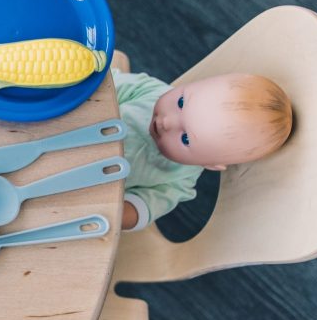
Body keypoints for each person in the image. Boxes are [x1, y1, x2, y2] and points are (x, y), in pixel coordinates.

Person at [114, 69, 293, 231]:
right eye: (181, 102)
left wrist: (115, 214)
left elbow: (143, 208)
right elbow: (104, 87)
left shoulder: (179, 180)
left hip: (90, 187)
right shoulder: (152, 92)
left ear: (211, 164)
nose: (166, 122)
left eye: (186, 138)